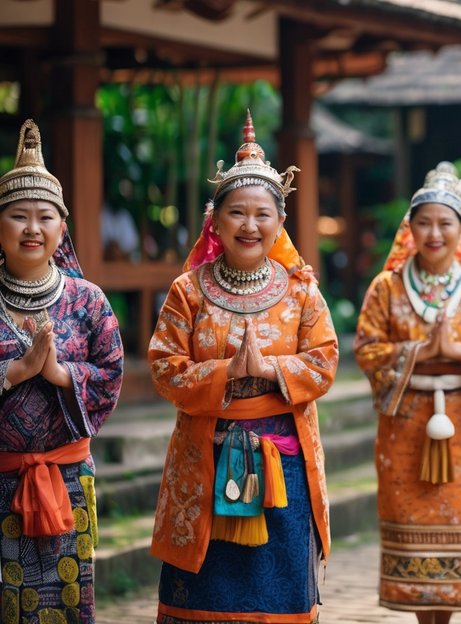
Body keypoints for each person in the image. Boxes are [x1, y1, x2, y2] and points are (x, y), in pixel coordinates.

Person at [149, 113, 339, 624]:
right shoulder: (187, 291)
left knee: (278, 599)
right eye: (237, 213)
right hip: (204, 459)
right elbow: (165, 367)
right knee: (204, 596)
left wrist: (272, 367)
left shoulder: (301, 291)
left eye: (262, 214)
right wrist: (225, 374)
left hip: (285, 464)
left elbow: (324, 364)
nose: (249, 225)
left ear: (280, 222)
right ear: (216, 221)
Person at [354, 162, 461, 623]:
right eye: (424, 222)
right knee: (409, 521)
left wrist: (458, 351)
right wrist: (420, 353)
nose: (434, 233)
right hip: (404, 424)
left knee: (458, 522)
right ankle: (417, 614)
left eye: (444, 223)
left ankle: (445, 617)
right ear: (409, 229)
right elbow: (367, 348)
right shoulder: (385, 288)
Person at [0, 120, 123, 623]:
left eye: (44, 217)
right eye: (18, 216)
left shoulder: (88, 300)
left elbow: (112, 373)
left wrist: (59, 374)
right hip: (1, 480)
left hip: (69, 480)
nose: (32, 228)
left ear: (62, 228)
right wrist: (14, 371)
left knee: (70, 604)